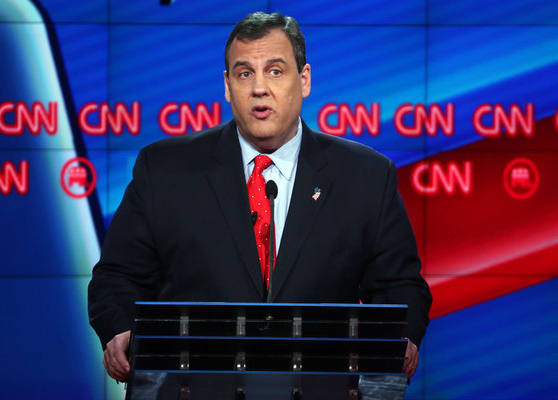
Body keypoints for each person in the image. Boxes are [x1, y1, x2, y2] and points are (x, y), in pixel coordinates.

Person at [88, 11, 432, 383]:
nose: (259, 89)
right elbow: (117, 276)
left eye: (275, 71)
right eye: (244, 73)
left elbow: (401, 287)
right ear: (227, 86)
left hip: (320, 385)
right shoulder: (165, 169)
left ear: (304, 80)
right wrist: (119, 327)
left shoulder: (365, 176)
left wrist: (403, 336)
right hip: (193, 385)